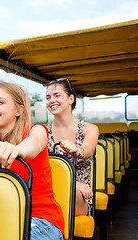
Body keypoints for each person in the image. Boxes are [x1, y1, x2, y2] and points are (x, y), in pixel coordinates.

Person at [0, 82, 65, 240]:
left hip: (41, 220)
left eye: (0, 102)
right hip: (2, 218)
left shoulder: (34, 130)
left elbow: (35, 143)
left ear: (19, 110)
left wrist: (18, 150)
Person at [46, 78, 99, 216]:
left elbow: (88, 150)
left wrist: (77, 150)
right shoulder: (42, 132)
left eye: (57, 95)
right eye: (48, 97)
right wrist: (74, 182)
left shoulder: (89, 128)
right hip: (48, 190)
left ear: (71, 99)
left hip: (79, 196)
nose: (52, 100)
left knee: (70, 192)